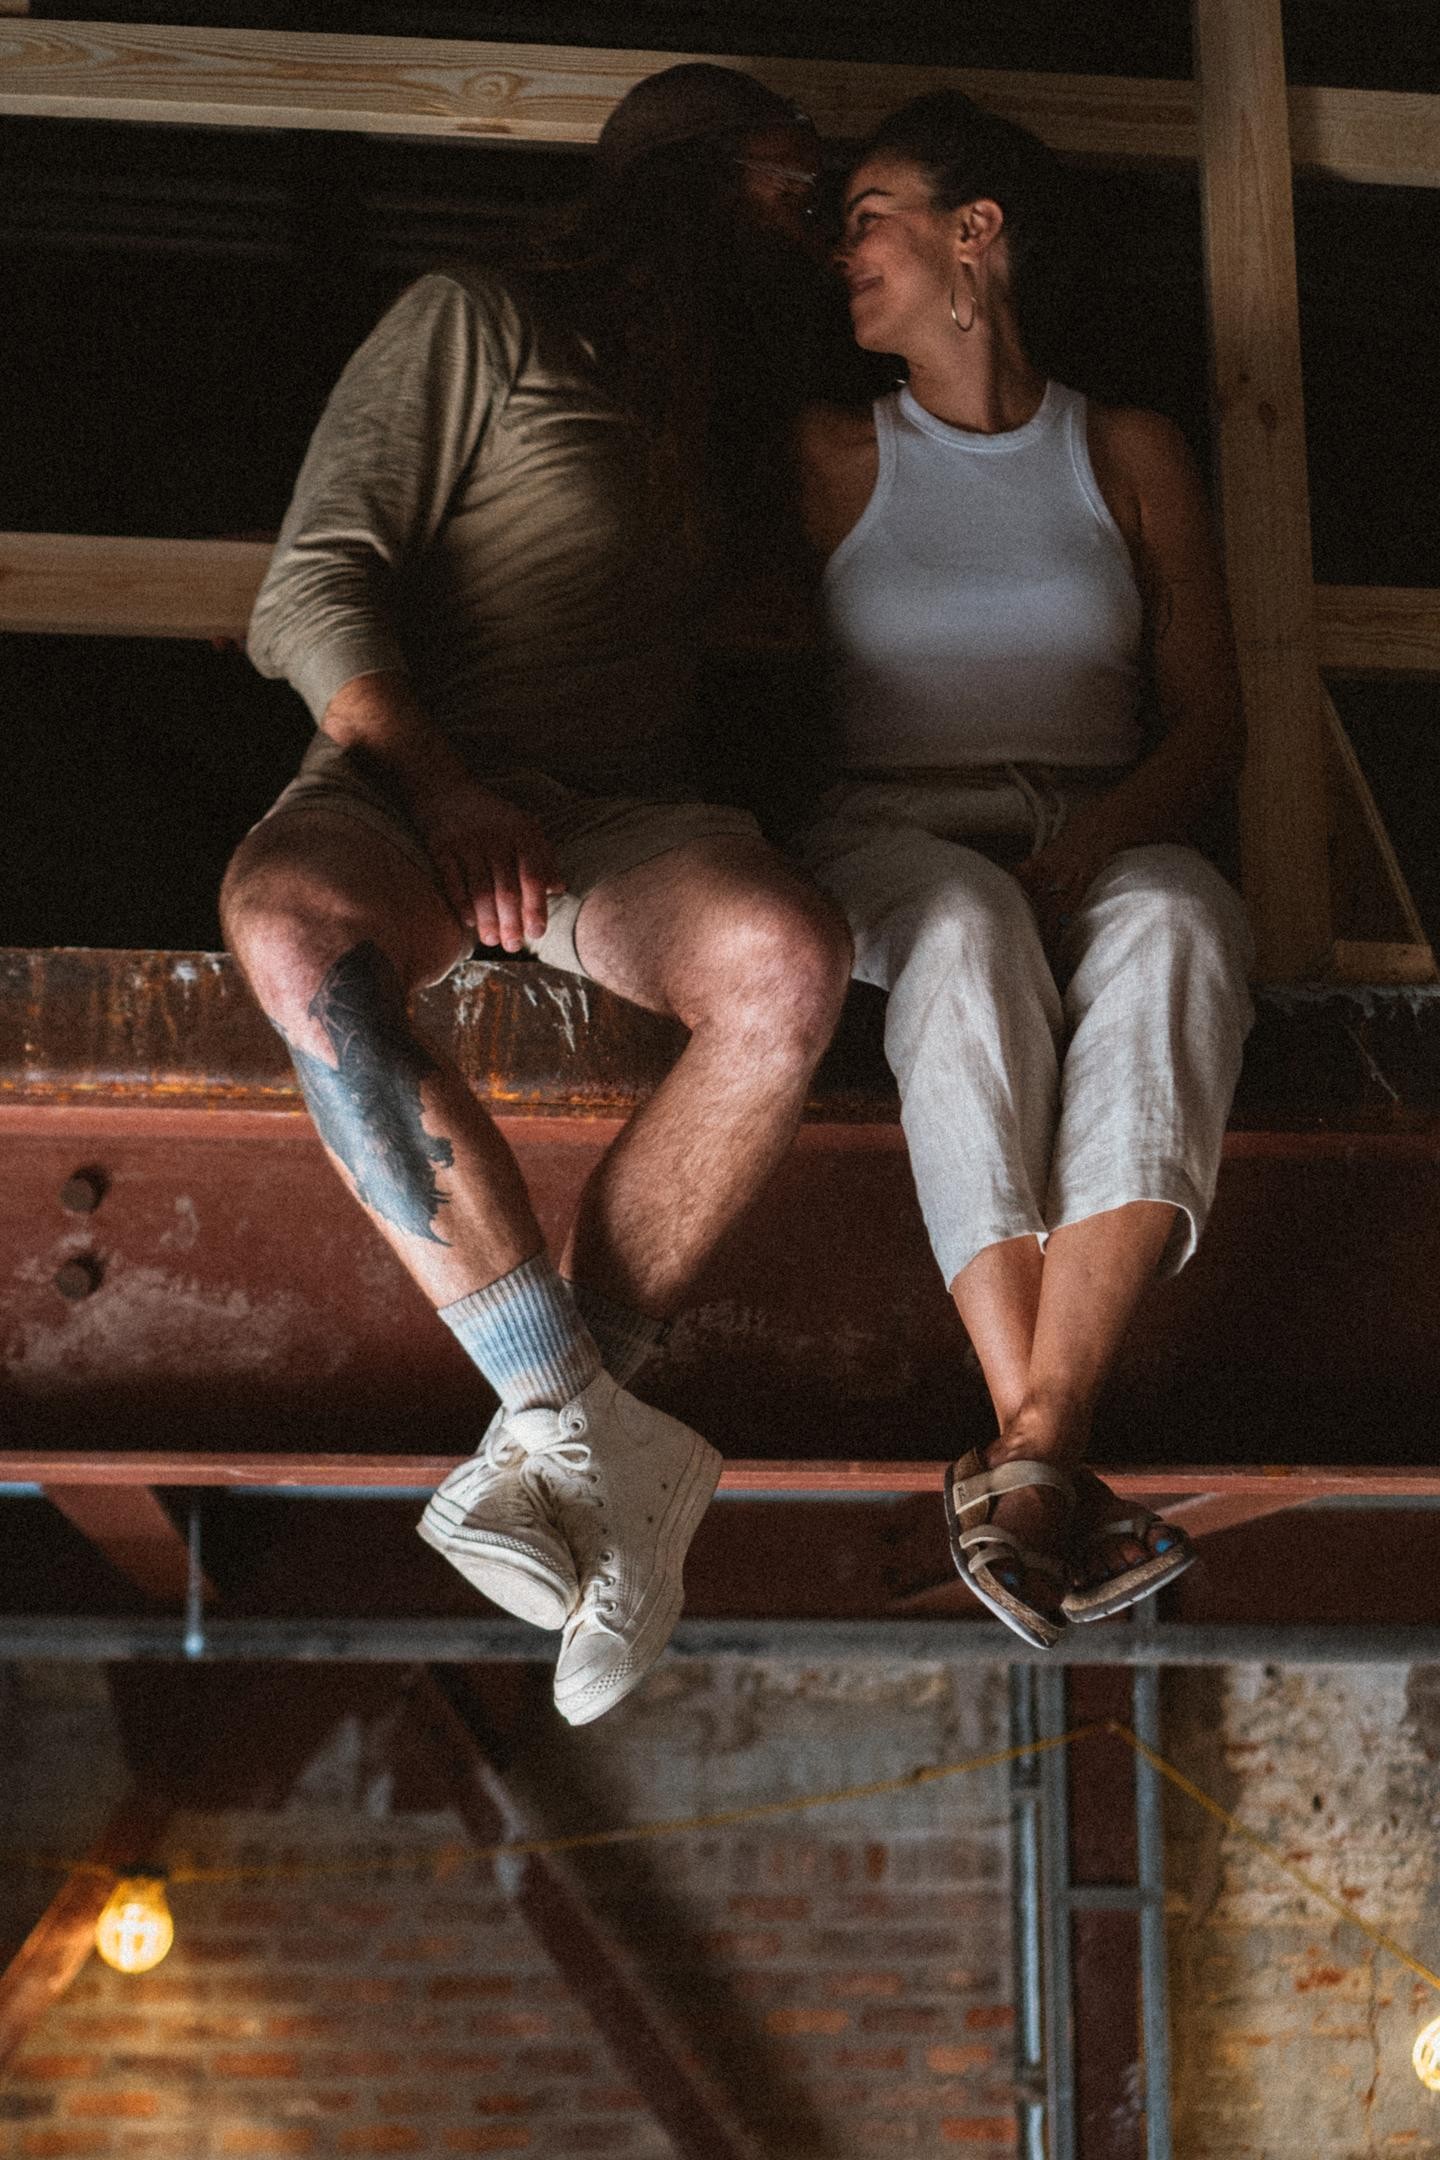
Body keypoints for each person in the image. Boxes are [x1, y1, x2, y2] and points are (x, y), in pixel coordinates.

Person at [221, 64, 853, 1724]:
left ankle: (577, 1443)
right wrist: (441, 786)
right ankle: (585, 1430)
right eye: (797, 177)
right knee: (292, 933)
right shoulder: (478, 320)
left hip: (621, 822)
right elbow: (309, 589)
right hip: (416, 782)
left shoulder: (738, 410)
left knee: (789, 960)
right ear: (693, 178)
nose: (822, 206)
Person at [796, 91, 1254, 1646]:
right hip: (891, 830)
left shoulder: (1123, 449)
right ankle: (1044, 1442)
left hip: (1097, 822)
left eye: (870, 215)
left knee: (1189, 915)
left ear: (972, 233)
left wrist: (1109, 838)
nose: (843, 251)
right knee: (969, 923)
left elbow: (1210, 720)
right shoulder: (833, 454)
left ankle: (1032, 1464)